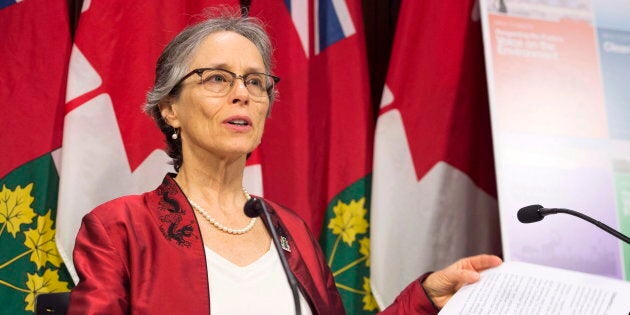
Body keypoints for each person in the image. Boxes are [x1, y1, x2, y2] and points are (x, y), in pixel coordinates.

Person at [67, 9, 502, 315]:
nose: (243, 93)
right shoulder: (120, 228)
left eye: (256, 82)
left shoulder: (289, 230)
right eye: (217, 77)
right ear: (170, 108)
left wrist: (425, 297)